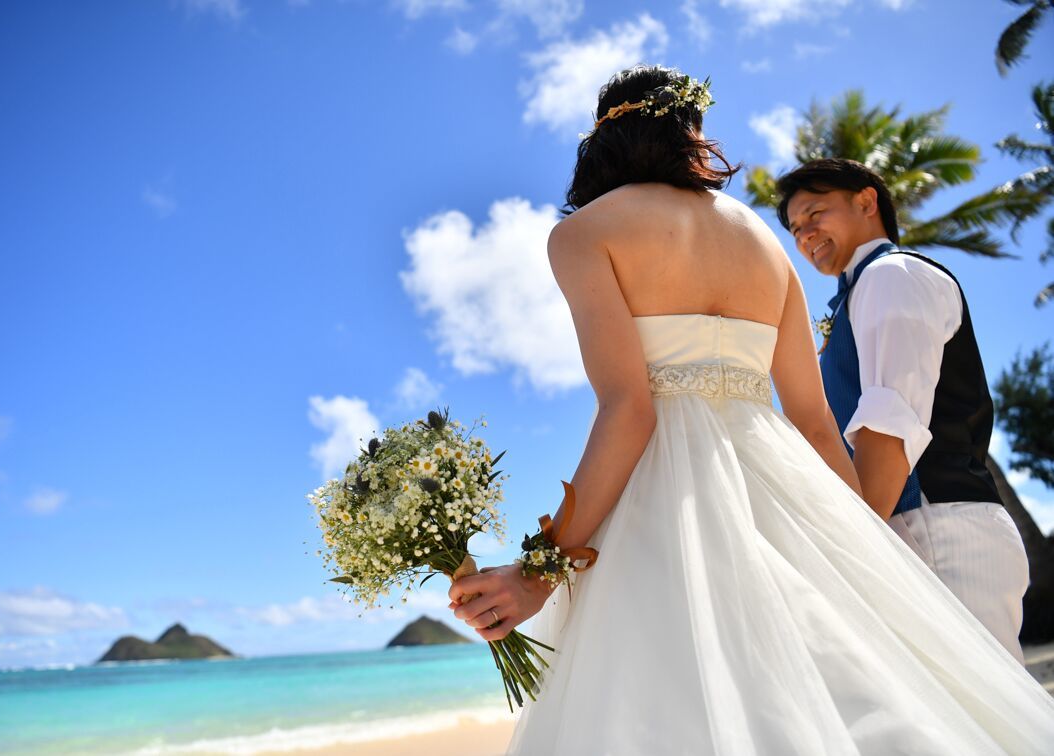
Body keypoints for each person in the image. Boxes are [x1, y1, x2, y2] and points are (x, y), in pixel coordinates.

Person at [447, 65, 1054, 754]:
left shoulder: (585, 234)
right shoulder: (767, 247)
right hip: (783, 485)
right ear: (691, 135)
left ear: (604, 138)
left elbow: (630, 409)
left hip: (660, 494)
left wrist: (538, 572)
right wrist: (867, 555)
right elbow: (818, 424)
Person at [775, 158, 1029, 662]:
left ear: (867, 201)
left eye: (816, 214)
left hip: (940, 528)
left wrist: (857, 548)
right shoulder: (859, 292)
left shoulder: (893, 276)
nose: (805, 236)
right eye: (796, 229)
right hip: (912, 524)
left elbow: (890, 422)